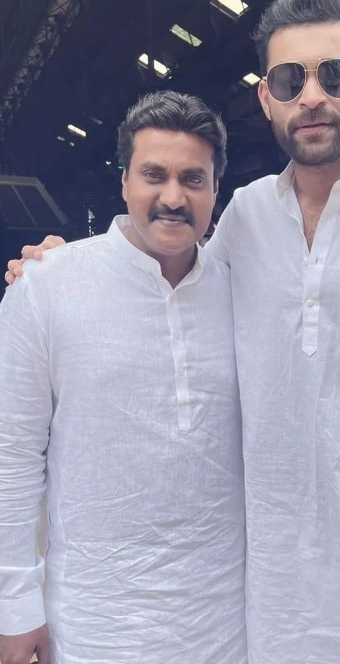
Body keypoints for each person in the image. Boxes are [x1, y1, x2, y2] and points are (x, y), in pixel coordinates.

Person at [6, 0, 340, 664]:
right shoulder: (244, 220)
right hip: (272, 608)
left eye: (335, 74)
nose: (313, 97)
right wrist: (63, 265)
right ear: (266, 96)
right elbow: (160, 267)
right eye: (290, 79)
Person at [0, 90, 246, 664]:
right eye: (153, 174)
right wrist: (14, 602)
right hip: (94, 623)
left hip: (225, 622)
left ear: (216, 190)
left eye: (193, 179)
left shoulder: (247, 290)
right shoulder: (47, 287)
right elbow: (11, 452)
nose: (172, 197)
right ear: (124, 182)